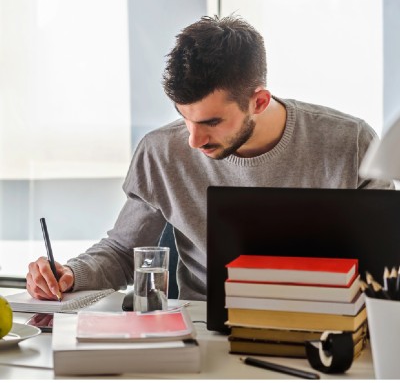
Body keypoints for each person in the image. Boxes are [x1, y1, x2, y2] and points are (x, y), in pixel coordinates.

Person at [26, 15, 393, 301]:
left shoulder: (350, 143)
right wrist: (71, 273)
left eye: (211, 122)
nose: (192, 140)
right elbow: (123, 252)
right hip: (207, 330)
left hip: (330, 325)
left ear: (259, 102)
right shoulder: (161, 151)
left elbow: (387, 261)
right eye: (184, 117)